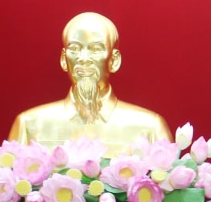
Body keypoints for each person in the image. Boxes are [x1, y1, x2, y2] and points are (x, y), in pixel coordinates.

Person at [9, 12, 171, 156]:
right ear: (64, 59)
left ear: (114, 60)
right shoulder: (29, 125)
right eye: (75, 48)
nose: (84, 58)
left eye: (95, 49)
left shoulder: (150, 127)